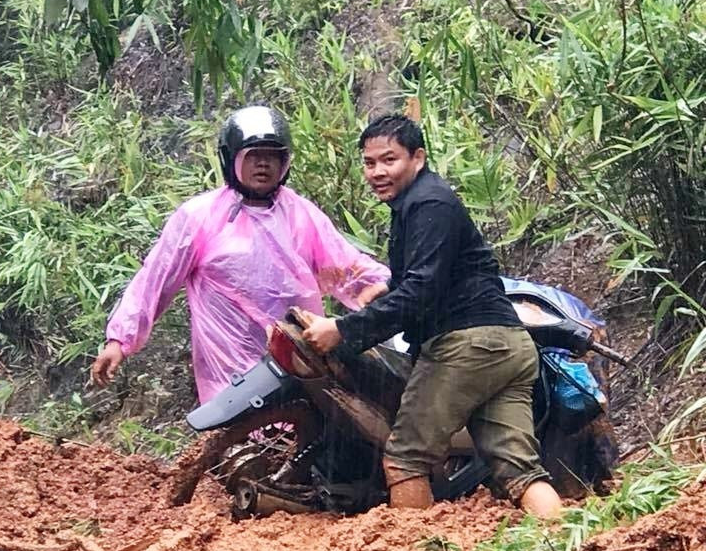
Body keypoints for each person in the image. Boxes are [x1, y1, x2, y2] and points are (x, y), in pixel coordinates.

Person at [303, 114, 562, 520]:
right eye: (369, 163)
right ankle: (564, 549)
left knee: (406, 458)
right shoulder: (422, 201)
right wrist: (388, 288)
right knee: (519, 469)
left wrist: (343, 329)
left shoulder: (428, 202)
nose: (377, 172)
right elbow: (441, 272)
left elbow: (421, 292)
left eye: (389, 160)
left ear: (418, 157)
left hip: (466, 345)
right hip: (509, 345)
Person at [91, 105, 389, 401]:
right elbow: (155, 280)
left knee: (305, 434)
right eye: (253, 155)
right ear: (231, 159)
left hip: (298, 355)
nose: (263, 164)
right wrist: (120, 339)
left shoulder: (299, 213)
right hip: (230, 366)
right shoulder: (200, 217)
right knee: (241, 441)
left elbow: (345, 265)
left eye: (273, 156)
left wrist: (391, 288)